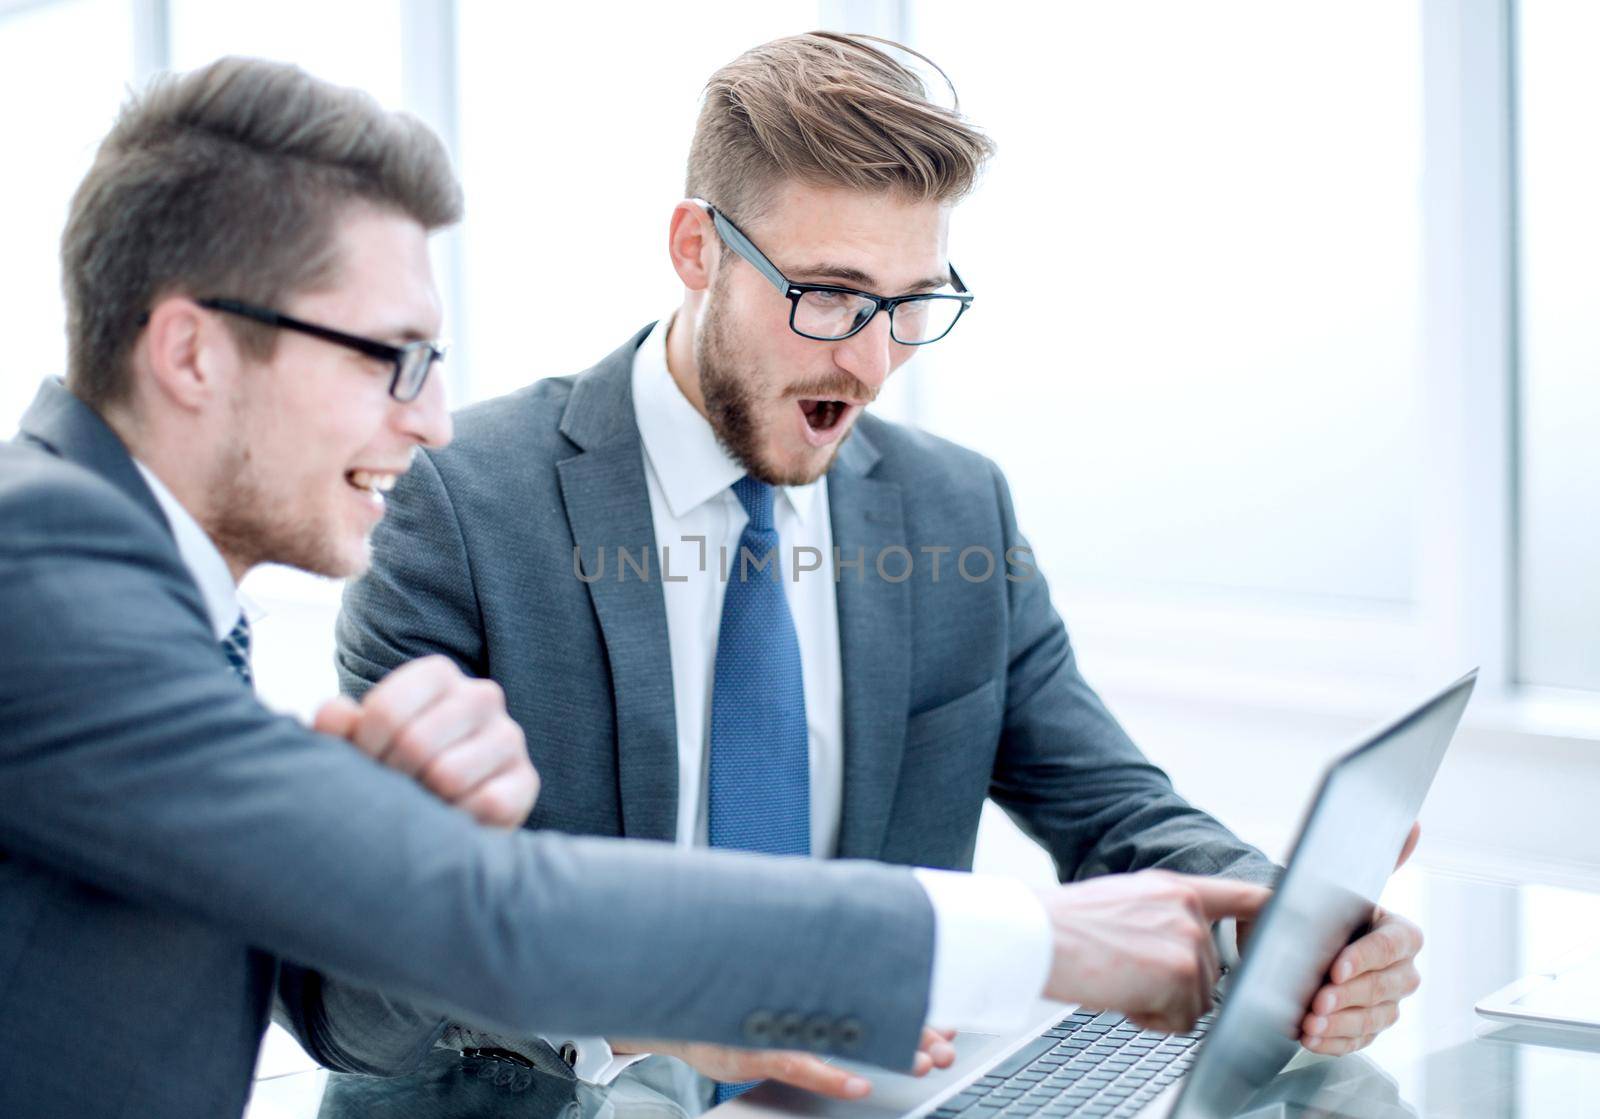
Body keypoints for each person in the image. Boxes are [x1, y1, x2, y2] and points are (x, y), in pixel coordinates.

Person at [0, 56, 1272, 1119]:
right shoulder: (46, 583)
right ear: (190, 351)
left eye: (433, 359)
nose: (434, 417)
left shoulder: (130, 587)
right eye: (390, 358)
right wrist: (1040, 943)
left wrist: (1271, 922)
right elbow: (452, 930)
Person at [321, 30, 1422, 1112]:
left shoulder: (955, 509)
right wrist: (639, 1004)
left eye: (911, 305)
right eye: (830, 295)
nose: (872, 359)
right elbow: (375, 977)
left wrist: (1280, 930)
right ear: (696, 249)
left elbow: (1112, 809)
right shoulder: (460, 501)